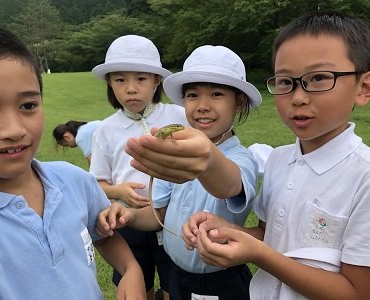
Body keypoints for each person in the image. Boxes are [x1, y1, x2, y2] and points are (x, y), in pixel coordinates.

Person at [182, 11, 370, 299]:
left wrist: (258, 254)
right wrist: (226, 230)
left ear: (364, 87)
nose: (298, 97)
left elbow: (357, 293)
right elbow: (271, 238)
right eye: (285, 82)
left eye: (319, 77)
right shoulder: (279, 160)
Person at [97, 45, 263, 300]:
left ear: (239, 102)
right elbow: (157, 214)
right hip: (175, 273)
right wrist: (129, 215)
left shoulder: (242, 158)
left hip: (219, 280)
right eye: (193, 95)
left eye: (217, 94)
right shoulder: (175, 153)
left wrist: (206, 161)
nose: (202, 106)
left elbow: (230, 184)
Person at [0, 25, 146, 299]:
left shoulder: (74, 180)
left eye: (28, 106)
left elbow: (103, 232)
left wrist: (131, 268)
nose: (13, 130)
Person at [90, 34, 188, 300]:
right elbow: (97, 183)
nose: (131, 88)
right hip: (127, 222)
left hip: (172, 219)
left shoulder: (178, 117)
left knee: (174, 284)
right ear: (110, 82)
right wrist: (118, 191)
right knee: (135, 286)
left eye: (141, 79)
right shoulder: (106, 130)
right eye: (120, 79)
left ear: (157, 80)